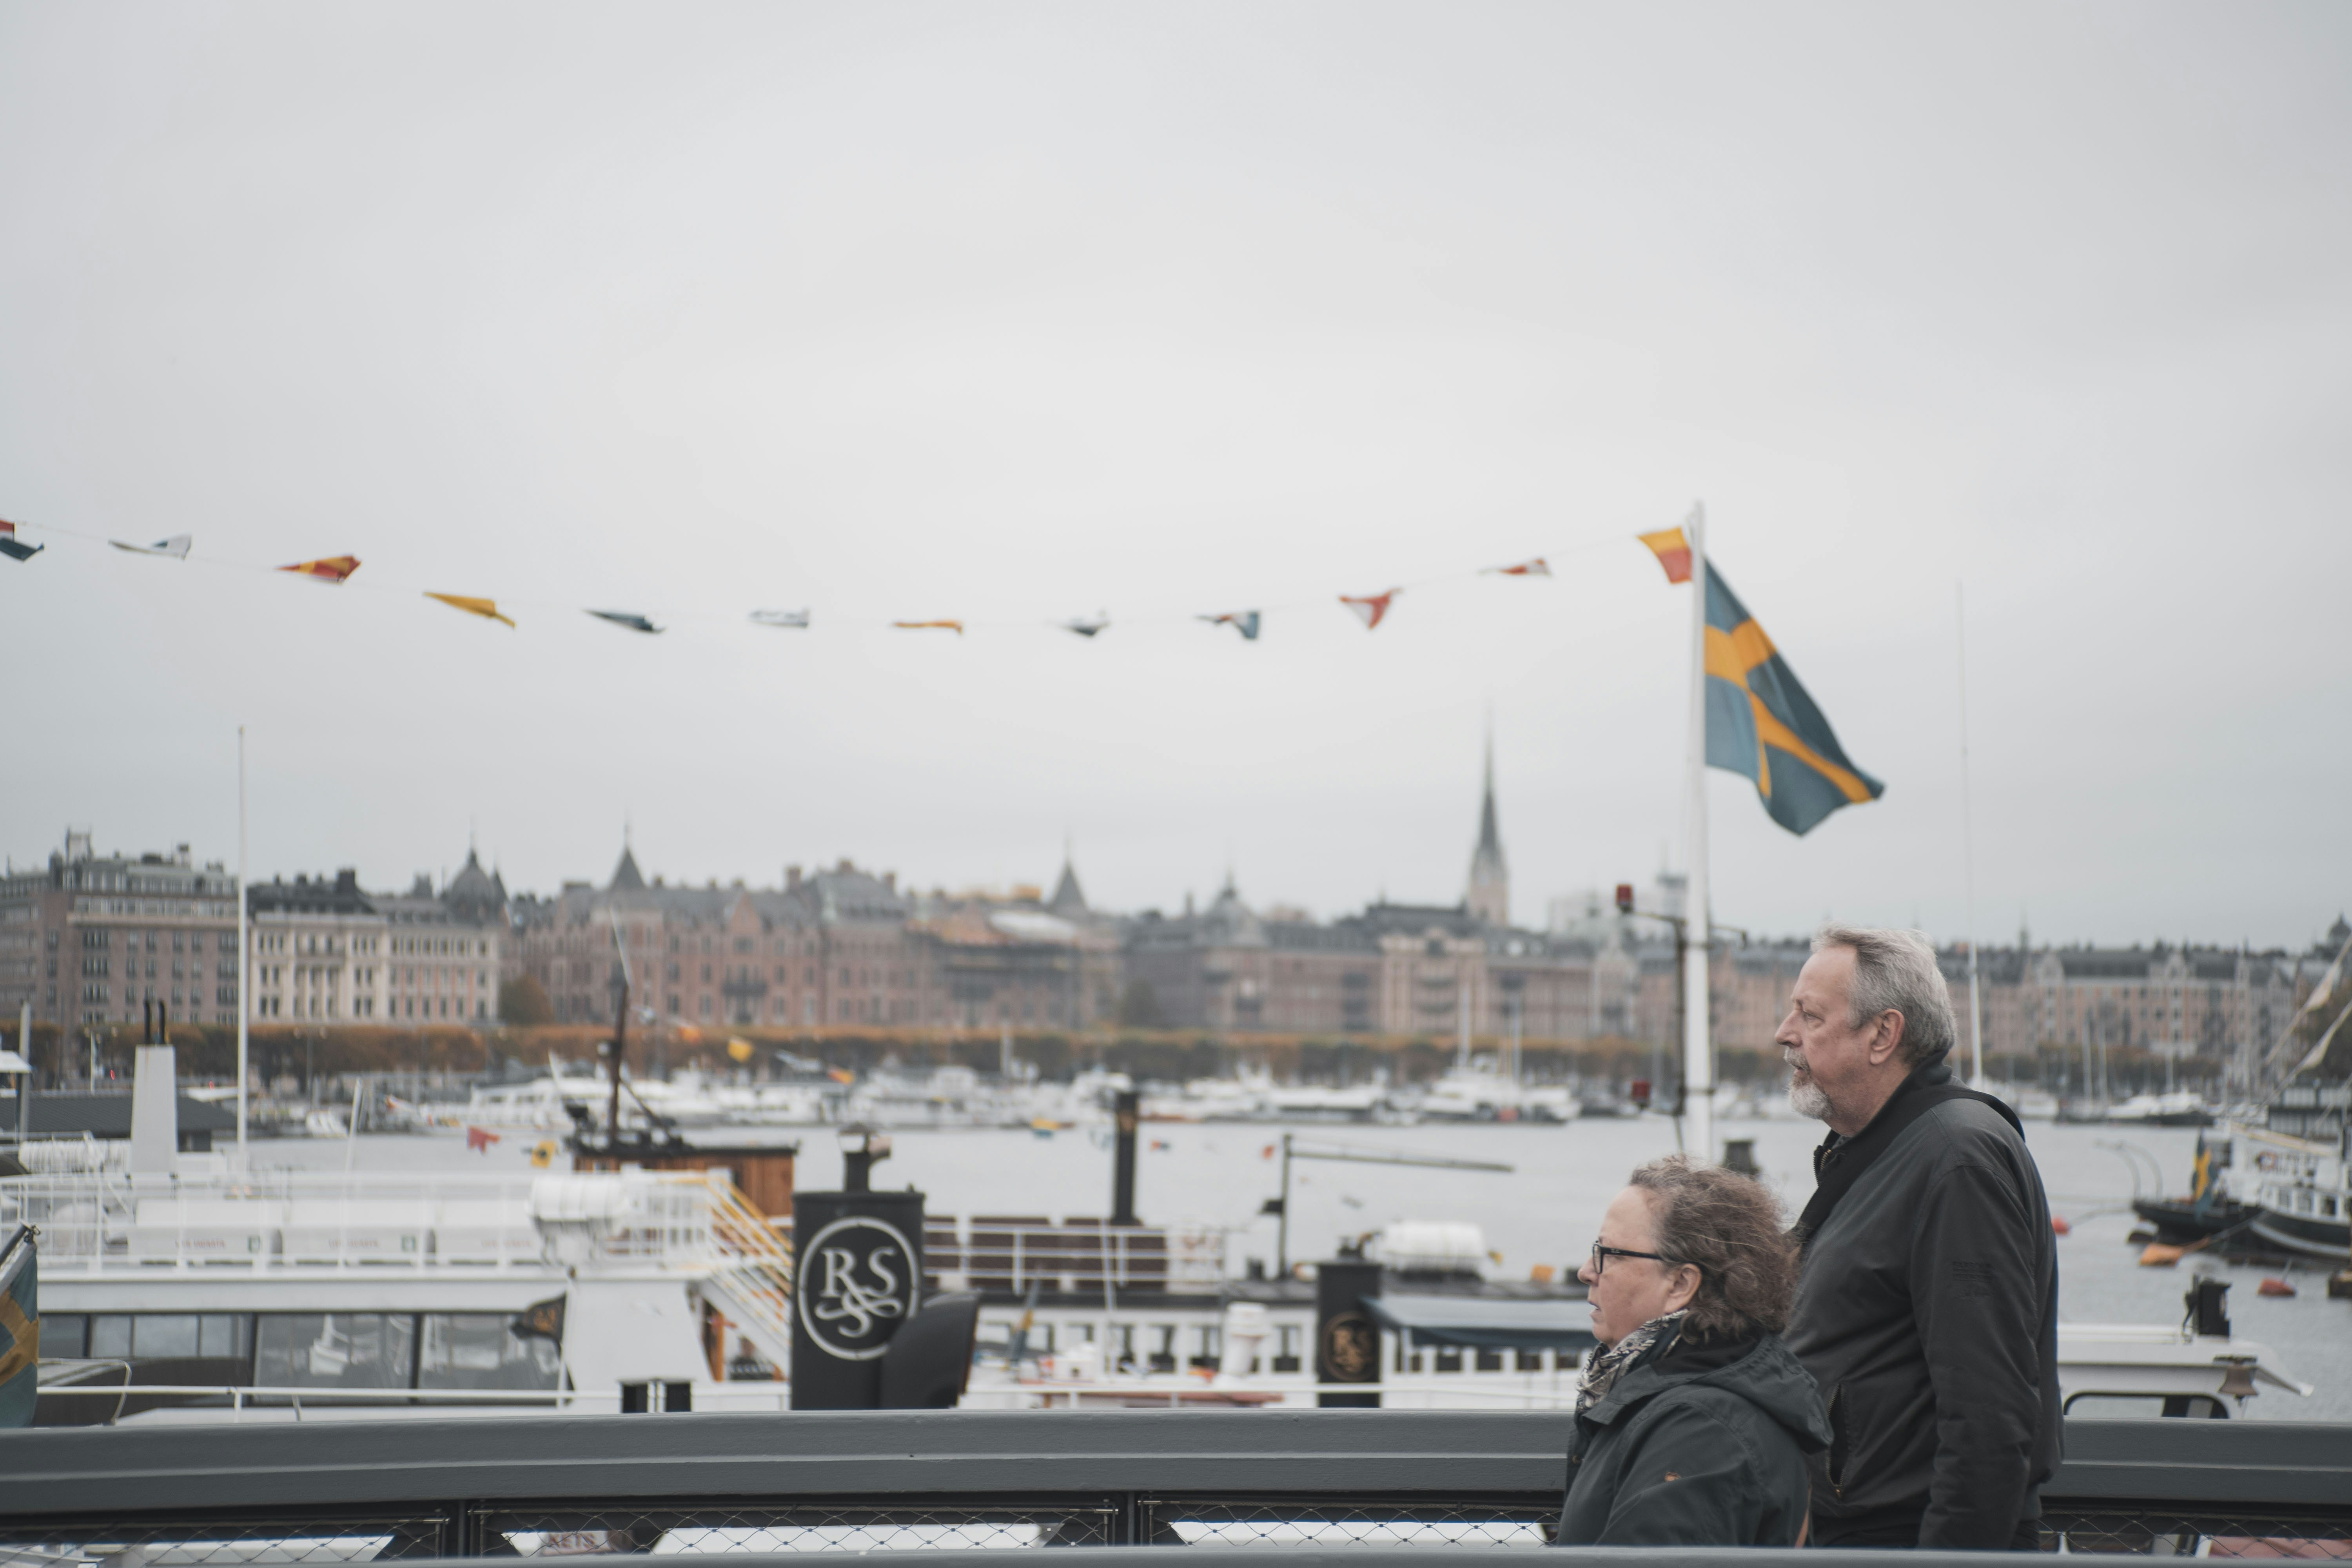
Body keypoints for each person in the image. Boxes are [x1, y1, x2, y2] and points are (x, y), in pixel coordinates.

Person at [1778, 924, 2060, 1550]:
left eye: (1809, 1014)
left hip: (1899, 1542)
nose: (1785, 1033)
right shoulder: (1887, 1153)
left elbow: (1989, 1416)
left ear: (1884, 1034)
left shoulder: (1958, 1161)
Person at [1555, 1155, 1828, 1547]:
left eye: (1611, 1254)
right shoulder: (1687, 1402)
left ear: (1681, 1284)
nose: (1587, 1271)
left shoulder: (1701, 1429)